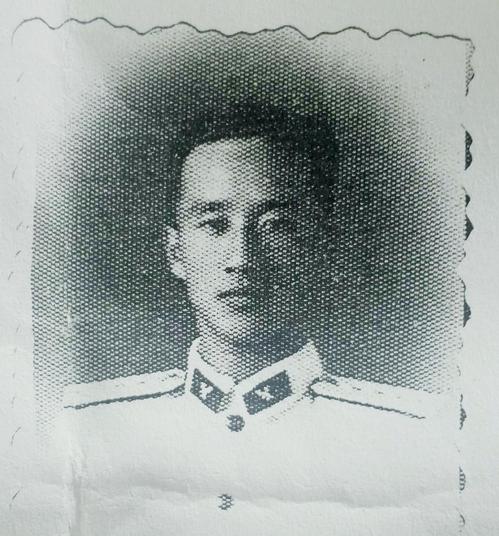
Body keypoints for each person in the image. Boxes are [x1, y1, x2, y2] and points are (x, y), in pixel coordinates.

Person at [56, 104, 455, 535]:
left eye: (277, 225)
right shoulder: (85, 424)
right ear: (176, 252)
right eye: (214, 224)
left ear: (320, 248)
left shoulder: (408, 435)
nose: (243, 258)